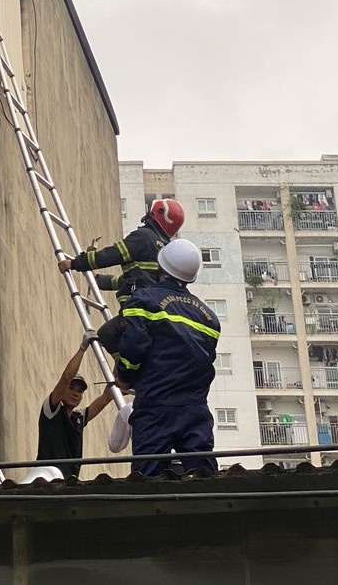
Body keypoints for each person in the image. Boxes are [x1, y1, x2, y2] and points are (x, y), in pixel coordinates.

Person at [114, 238, 220, 478]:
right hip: (195, 410)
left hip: (156, 406)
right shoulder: (209, 318)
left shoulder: (144, 300)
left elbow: (133, 347)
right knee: (204, 478)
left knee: (148, 479)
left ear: (160, 268)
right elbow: (202, 361)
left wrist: (124, 376)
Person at [57, 198, 185, 355]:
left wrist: (75, 263)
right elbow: (135, 280)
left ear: (156, 213)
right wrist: (100, 281)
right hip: (156, 313)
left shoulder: (143, 237)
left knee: (107, 335)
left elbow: (112, 255)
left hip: (137, 309)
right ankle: (126, 375)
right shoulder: (166, 250)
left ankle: (123, 377)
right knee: (130, 347)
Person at [36, 331, 114, 478]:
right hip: (47, 479)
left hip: (68, 482)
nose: (76, 393)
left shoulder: (78, 419)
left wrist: (120, 358)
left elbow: (105, 398)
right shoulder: (51, 411)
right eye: (72, 388)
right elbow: (66, 378)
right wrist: (82, 348)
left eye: (80, 391)